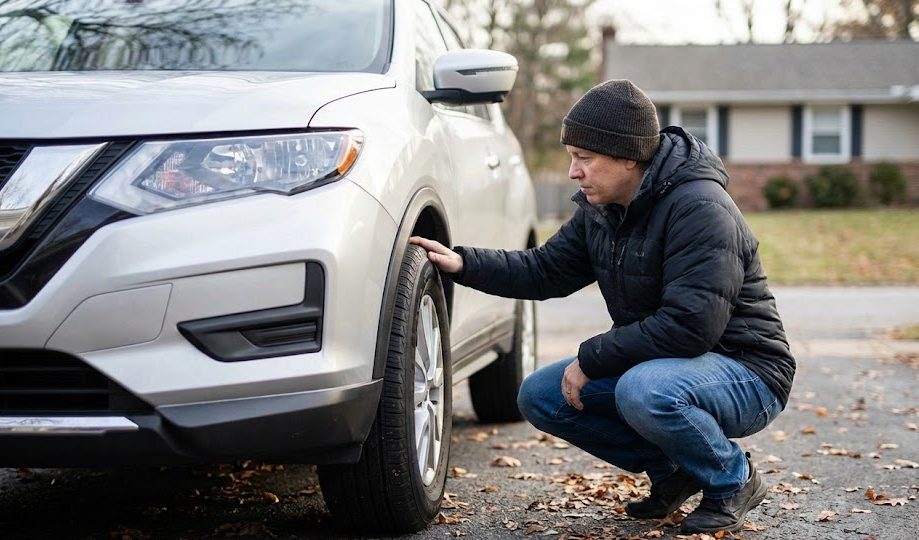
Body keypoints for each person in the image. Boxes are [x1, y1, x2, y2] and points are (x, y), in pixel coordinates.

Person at [409, 79, 795, 534]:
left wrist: (591, 358)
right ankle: (677, 470)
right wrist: (464, 262)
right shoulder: (604, 209)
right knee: (542, 395)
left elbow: (690, 326)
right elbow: (545, 269)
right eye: (572, 157)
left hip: (747, 371)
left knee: (644, 390)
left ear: (628, 155)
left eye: (585, 158)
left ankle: (732, 479)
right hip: (669, 364)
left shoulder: (701, 208)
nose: (573, 172)